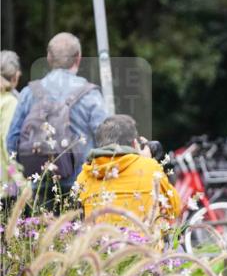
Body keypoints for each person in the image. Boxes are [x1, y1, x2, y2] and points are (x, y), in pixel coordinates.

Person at [6, 33, 108, 195]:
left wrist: (30, 166)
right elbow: (106, 141)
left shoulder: (29, 93)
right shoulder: (90, 95)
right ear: (78, 58)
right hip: (81, 186)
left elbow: (12, 141)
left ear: (48, 58)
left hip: (39, 187)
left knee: (40, 222)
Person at [75, 114, 182, 230]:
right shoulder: (150, 167)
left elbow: (78, 220)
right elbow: (174, 209)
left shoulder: (84, 176)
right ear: (134, 144)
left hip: (98, 246)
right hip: (144, 245)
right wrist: (147, 161)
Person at [0, 51, 25, 199]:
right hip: (5, 189)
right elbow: (8, 147)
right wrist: (23, 184)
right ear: (16, 76)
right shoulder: (10, 103)